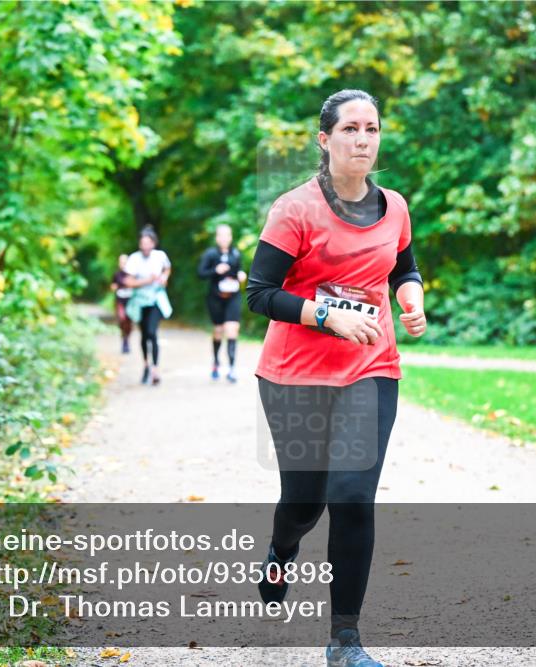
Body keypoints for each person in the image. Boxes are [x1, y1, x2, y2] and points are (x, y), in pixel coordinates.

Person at [246, 89, 426, 667]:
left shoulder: (394, 205)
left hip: (370, 367)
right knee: (303, 502)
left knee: (351, 497)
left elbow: (403, 262)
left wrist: (410, 298)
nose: (362, 140)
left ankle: (344, 638)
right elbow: (260, 294)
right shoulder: (294, 209)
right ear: (325, 140)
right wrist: (326, 315)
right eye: (350, 129)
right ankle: (282, 546)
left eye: (371, 129)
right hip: (295, 375)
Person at [197, 224, 247, 382]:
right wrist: (215, 270)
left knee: (232, 329)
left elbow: (240, 270)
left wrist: (241, 274)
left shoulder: (236, 253)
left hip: (233, 296)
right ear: (217, 237)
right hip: (215, 298)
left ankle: (232, 368)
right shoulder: (210, 254)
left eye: (227, 235)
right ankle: (216, 362)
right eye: (221, 235)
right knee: (218, 330)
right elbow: (200, 273)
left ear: (231, 237)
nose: (224, 238)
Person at [123, 226, 173, 386]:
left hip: (156, 300)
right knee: (144, 335)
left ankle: (155, 369)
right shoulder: (134, 259)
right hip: (140, 301)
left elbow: (167, 268)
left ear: (153, 244)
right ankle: (146, 364)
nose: (145, 246)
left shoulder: (160, 256)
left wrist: (164, 277)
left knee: (152, 333)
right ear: (139, 244)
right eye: (142, 243)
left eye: (148, 243)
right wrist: (147, 281)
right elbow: (128, 282)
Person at [110, 253, 134, 354]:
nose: (123, 264)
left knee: (128, 322)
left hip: (130, 301)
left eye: (125, 262)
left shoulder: (132, 274)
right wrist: (114, 287)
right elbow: (112, 286)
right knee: (122, 319)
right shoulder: (116, 275)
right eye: (121, 262)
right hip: (120, 300)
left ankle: (127, 340)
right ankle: (124, 339)